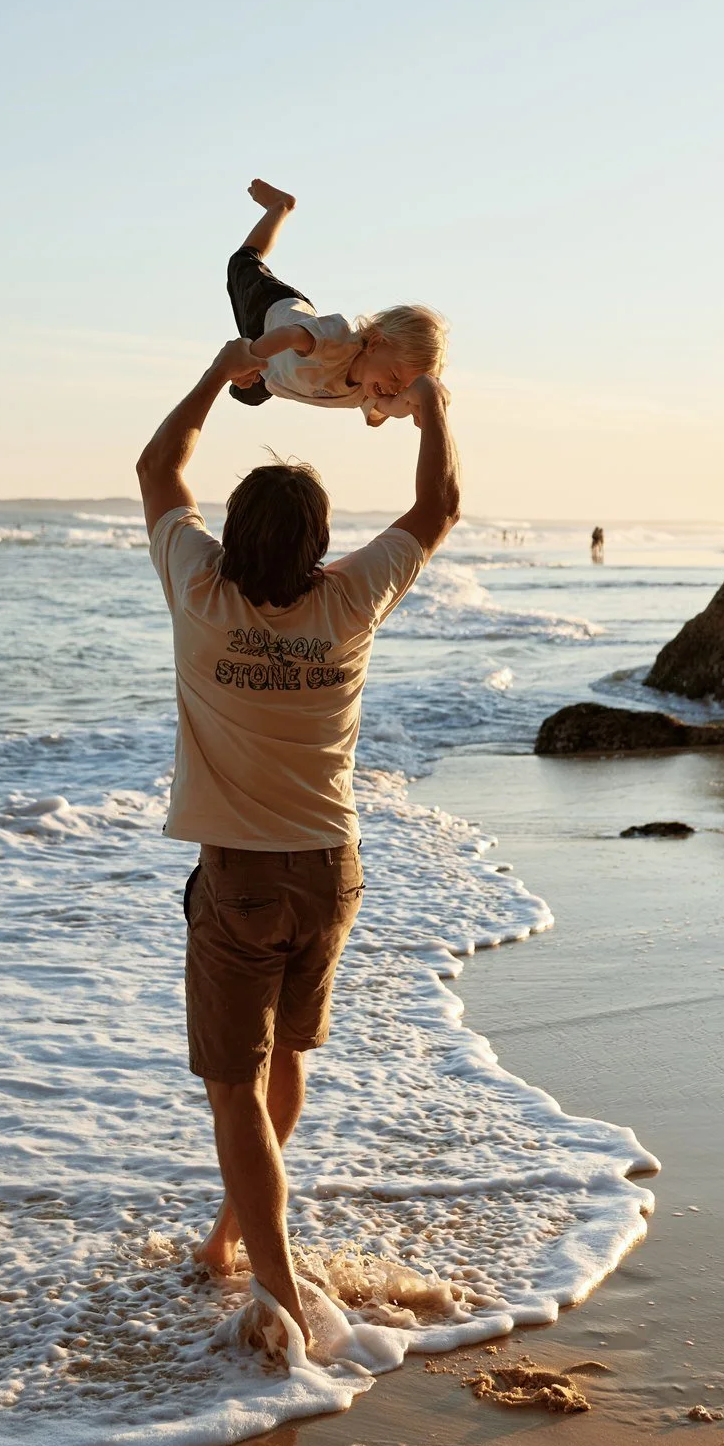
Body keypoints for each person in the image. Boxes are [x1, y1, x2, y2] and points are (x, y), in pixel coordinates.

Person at [136, 341, 460, 1351]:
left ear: (233, 538)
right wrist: (431, 404)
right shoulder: (347, 599)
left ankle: (276, 1288)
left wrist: (221, 371)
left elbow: (158, 471)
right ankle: (229, 1238)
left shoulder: (201, 591)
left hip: (237, 879)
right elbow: (437, 506)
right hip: (330, 872)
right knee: (280, 1065)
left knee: (235, 1087)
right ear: (319, 544)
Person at [221, 178, 447, 427]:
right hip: (271, 313)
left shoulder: (367, 391)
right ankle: (280, 206)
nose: (393, 389)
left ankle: (250, 372)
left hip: (276, 376)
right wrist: (249, 358)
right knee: (241, 262)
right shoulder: (338, 340)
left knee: (245, 396)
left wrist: (421, 406)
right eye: (394, 376)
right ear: (374, 343)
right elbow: (288, 336)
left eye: (402, 387)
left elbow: (388, 411)